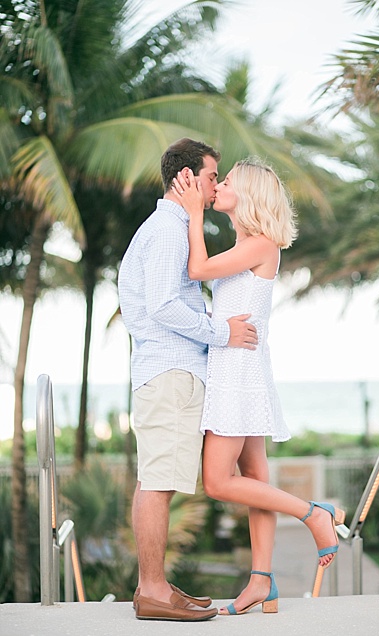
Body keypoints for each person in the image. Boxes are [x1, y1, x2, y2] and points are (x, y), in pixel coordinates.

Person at [171, 157, 345, 616]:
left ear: (246, 195)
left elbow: (197, 270)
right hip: (238, 363)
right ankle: (262, 582)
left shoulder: (261, 244)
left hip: (237, 372)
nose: (219, 186)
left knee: (216, 481)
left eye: (226, 181)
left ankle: (312, 513)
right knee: (254, 479)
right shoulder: (247, 245)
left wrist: (192, 213)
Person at [118, 138, 259, 622]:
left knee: (157, 478)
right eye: (212, 177)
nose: (216, 186)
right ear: (187, 179)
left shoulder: (173, 228)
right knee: (158, 481)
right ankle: (153, 591)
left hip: (168, 372)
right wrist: (222, 333)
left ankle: (154, 586)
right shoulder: (169, 231)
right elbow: (163, 304)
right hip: (171, 372)